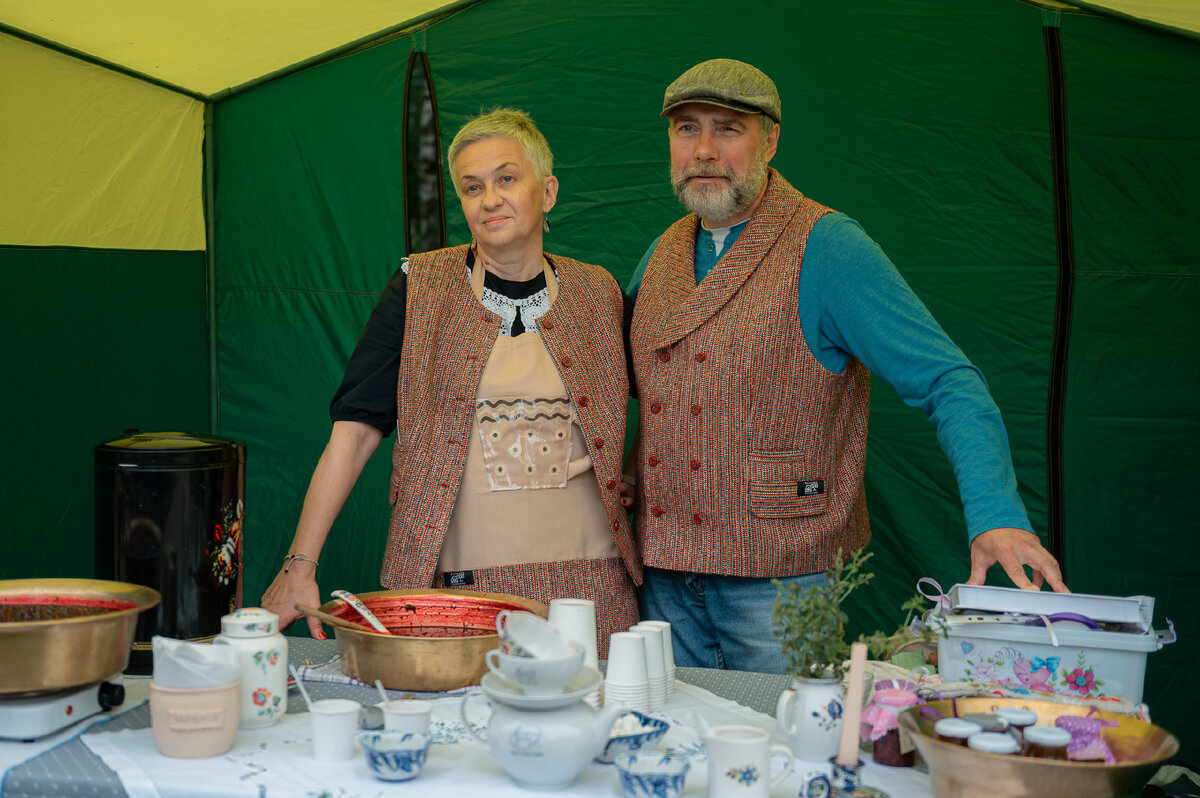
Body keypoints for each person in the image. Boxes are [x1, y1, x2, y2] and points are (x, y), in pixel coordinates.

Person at [626, 58, 1067, 672]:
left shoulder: (828, 246)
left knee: (788, 756)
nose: (703, 149)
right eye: (685, 129)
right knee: (675, 749)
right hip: (662, 576)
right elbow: (617, 381)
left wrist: (997, 515)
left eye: (727, 129)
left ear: (770, 139)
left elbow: (950, 381)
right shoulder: (662, 253)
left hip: (780, 584)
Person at [262, 109, 640, 651]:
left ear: (548, 191)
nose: (490, 199)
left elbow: (666, 397)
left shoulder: (598, 294)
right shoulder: (419, 287)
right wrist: (301, 564)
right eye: (472, 186)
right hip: (462, 592)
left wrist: (632, 473)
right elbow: (354, 433)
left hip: (592, 591)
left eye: (507, 179)